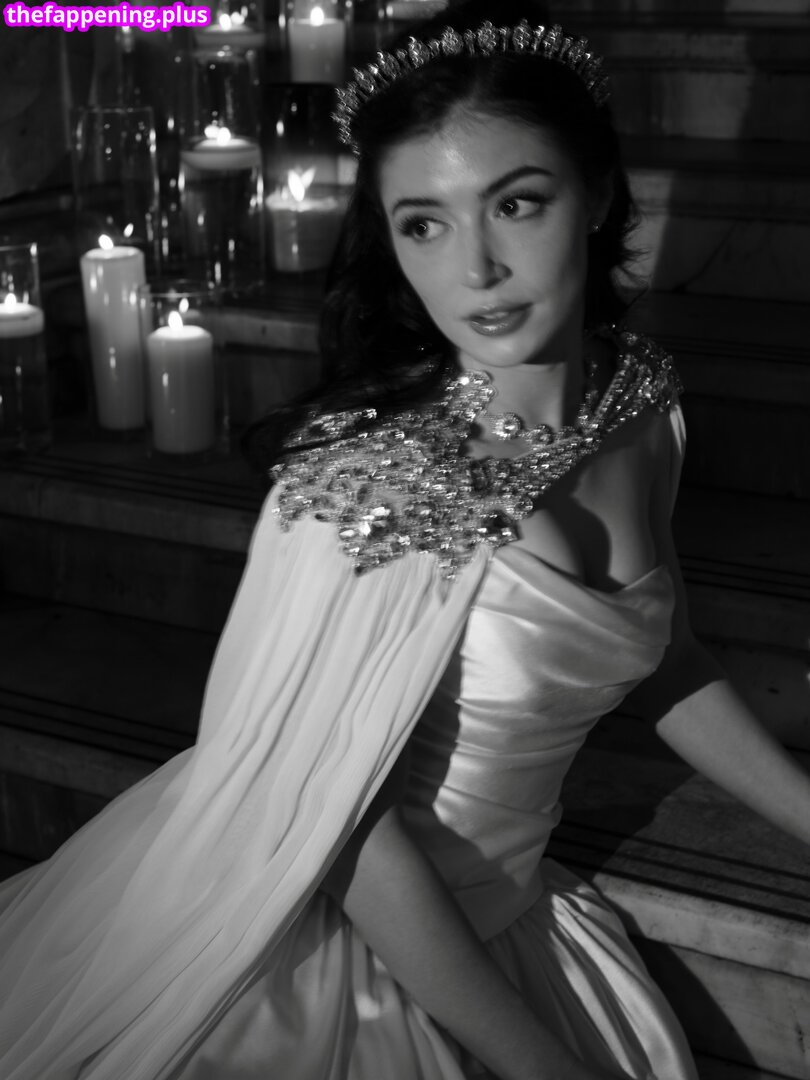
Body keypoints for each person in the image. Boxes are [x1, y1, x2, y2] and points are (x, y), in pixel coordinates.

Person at [2, 2, 809, 1077]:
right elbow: (337, 827)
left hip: (502, 912)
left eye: (516, 204)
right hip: (323, 938)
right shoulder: (367, 488)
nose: (476, 271)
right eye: (424, 223)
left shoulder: (639, 403)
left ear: (599, 194)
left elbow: (669, 658)